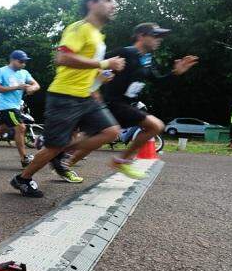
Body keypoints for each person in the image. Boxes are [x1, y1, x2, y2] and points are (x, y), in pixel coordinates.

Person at [10, 0, 125, 197]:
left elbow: (87, 68)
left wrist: (101, 75)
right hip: (65, 95)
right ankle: (22, 179)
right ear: (91, 3)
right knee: (54, 146)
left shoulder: (98, 36)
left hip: (86, 96)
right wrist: (105, 62)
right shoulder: (80, 28)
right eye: (108, 0)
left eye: (113, 1)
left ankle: (61, 150)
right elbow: (61, 58)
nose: (113, 5)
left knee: (111, 132)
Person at [67, 23, 198, 178]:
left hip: (126, 104)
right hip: (112, 103)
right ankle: (120, 160)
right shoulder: (126, 52)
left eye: (161, 37)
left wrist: (176, 73)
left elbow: (159, 82)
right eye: (155, 35)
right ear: (141, 36)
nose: (159, 40)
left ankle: (61, 162)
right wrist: (95, 87)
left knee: (91, 141)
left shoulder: (148, 60)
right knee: (155, 126)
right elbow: (94, 63)